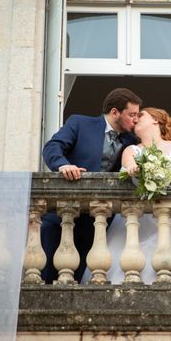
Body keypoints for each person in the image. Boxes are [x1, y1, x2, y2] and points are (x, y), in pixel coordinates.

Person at [82, 107, 171, 284]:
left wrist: (163, 179)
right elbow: (129, 164)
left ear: (156, 120)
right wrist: (136, 169)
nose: (135, 119)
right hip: (137, 221)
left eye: (140, 115)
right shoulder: (131, 149)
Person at [40, 88, 142, 283]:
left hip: (98, 220)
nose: (136, 119)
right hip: (63, 213)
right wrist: (63, 165)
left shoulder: (131, 141)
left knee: (83, 278)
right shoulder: (80, 123)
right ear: (114, 112)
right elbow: (52, 146)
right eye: (132, 114)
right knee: (47, 274)